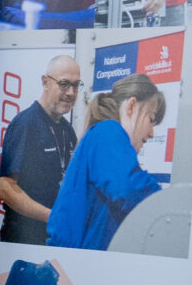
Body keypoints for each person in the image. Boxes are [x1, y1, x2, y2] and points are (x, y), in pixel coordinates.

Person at [47, 73, 168, 251]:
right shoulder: (108, 131)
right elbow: (128, 187)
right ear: (132, 106)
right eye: (151, 120)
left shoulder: (101, 135)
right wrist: (167, 203)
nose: (151, 133)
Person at [0, 53, 82, 243]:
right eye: (64, 84)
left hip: (54, 237)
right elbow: (5, 188)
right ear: (45, 82)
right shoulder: (25, 124)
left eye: (76, 85)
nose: (70, 92)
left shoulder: (68, 131)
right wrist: (51, 217)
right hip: (24, 239)